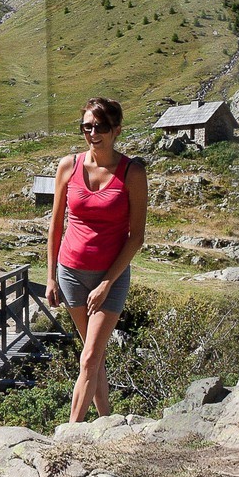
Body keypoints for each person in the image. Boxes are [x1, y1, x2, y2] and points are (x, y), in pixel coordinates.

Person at [45, 97, 148, 423]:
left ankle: (70, 437)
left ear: (117, 130)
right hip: (71, 274)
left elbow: (137, 237)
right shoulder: (68, 166)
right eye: (87, 126)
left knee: (89, 357)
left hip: (111, 278)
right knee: (96, 357)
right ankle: (108, 424)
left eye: (101, 126)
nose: (93, 133)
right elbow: (55, 226)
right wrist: (50, 277)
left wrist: (106, 283)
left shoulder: (132, 172)